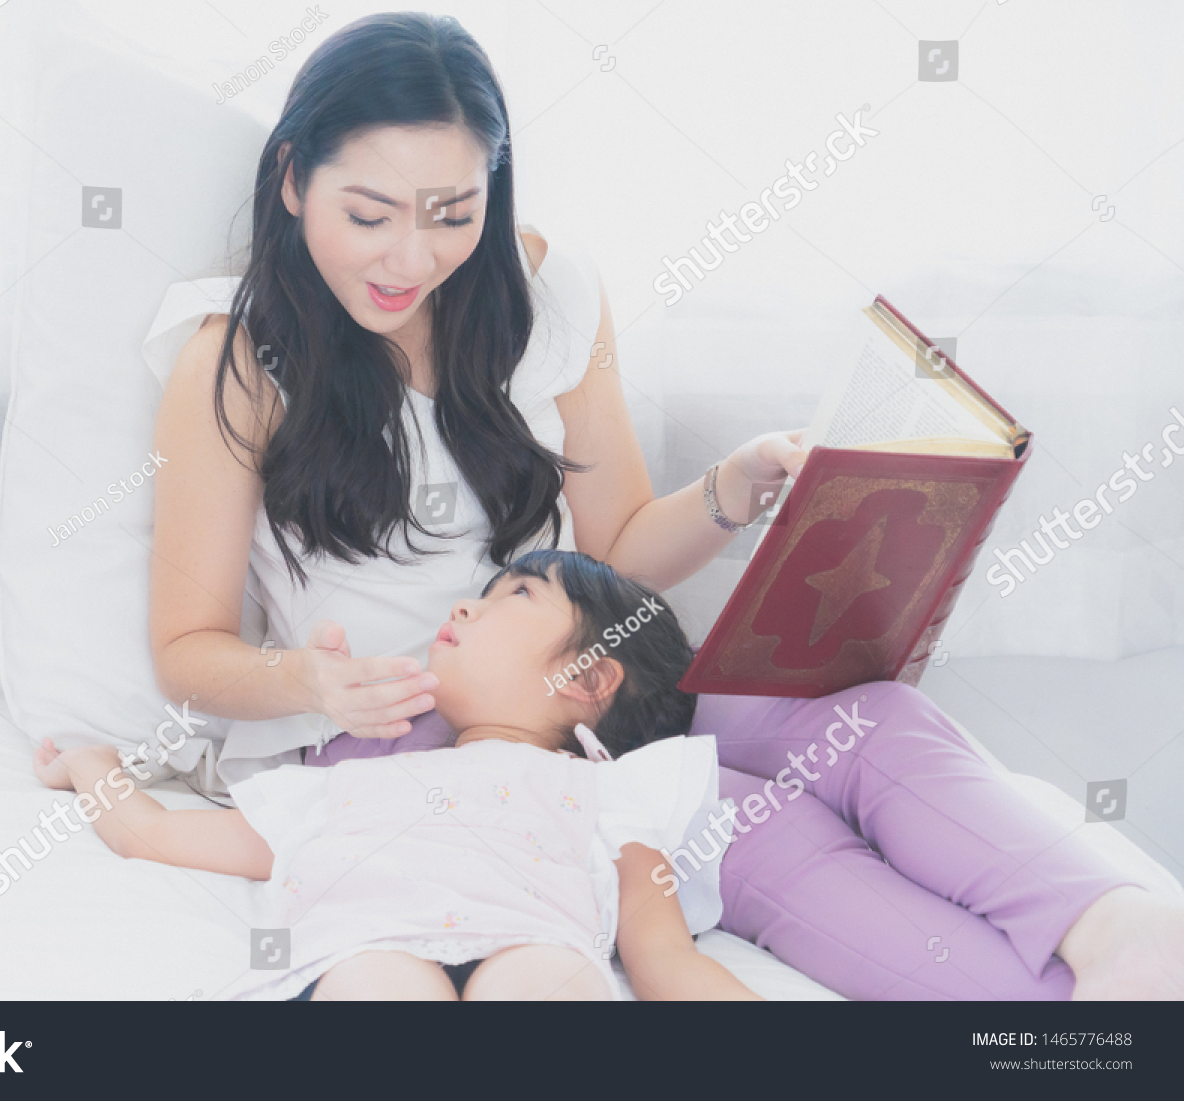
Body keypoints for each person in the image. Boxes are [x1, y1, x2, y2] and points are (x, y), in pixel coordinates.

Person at [141, 12, 1184, 999]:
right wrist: (312, 681)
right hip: (409, 732)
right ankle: (1039, 1018)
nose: (410, 259)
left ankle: (1117, 938)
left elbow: (621, 554)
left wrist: (731, 489)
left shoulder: (542, 299)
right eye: (368, 216)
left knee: (873, 716)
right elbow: (186, 647)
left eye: (452, 215)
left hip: (583, 673)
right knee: (748, 828)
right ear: (291, 180)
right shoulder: (233, 363)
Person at [36, 550, 759, 1000]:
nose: (465, 603)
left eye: (519, 593)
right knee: (376, 981)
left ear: (590, 677)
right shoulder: (345, 788)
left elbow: (666, 961)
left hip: (537, 950)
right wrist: (90, 761)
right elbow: (150, 832)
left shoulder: (614, 799)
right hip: (364, 955)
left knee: (545, 979)